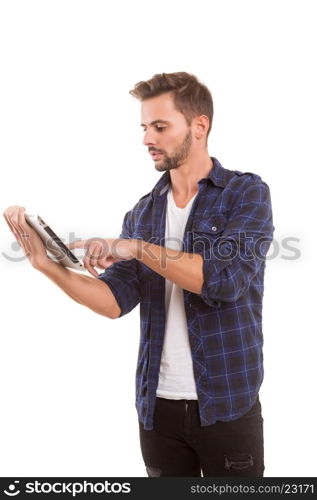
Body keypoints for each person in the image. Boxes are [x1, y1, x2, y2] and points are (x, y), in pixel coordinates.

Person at [3, 72, 274, 477]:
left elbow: (223, 279)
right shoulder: (144, 212)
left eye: (160, 127)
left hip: (228, 407)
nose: (147, 138)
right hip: (157, 409)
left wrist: (134, 247)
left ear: (199, 126)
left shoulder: (245, 193)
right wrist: (46, 265)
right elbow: (113, 302)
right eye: (145, 127)